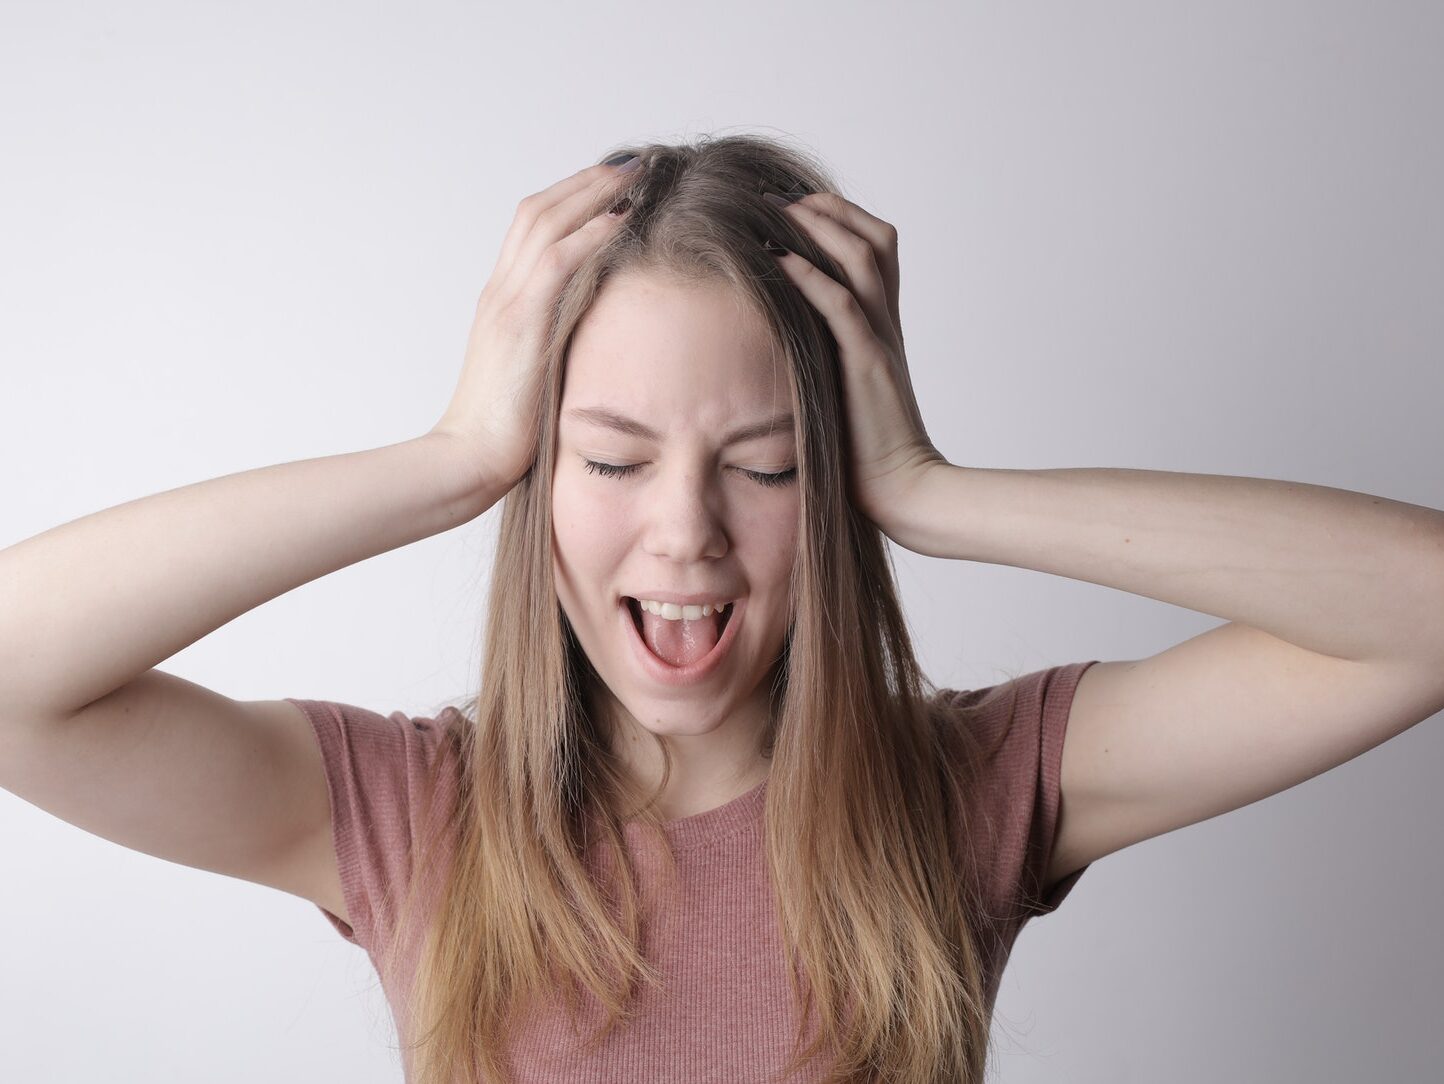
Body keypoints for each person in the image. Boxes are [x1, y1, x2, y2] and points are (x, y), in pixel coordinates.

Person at [3, 134, 1441, 1084]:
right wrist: (442, 463)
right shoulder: (410, 814)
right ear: (537, 478)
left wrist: (932, 494)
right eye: (614, 459)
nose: (684, 531)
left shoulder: (973, 789)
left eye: (766, 467)